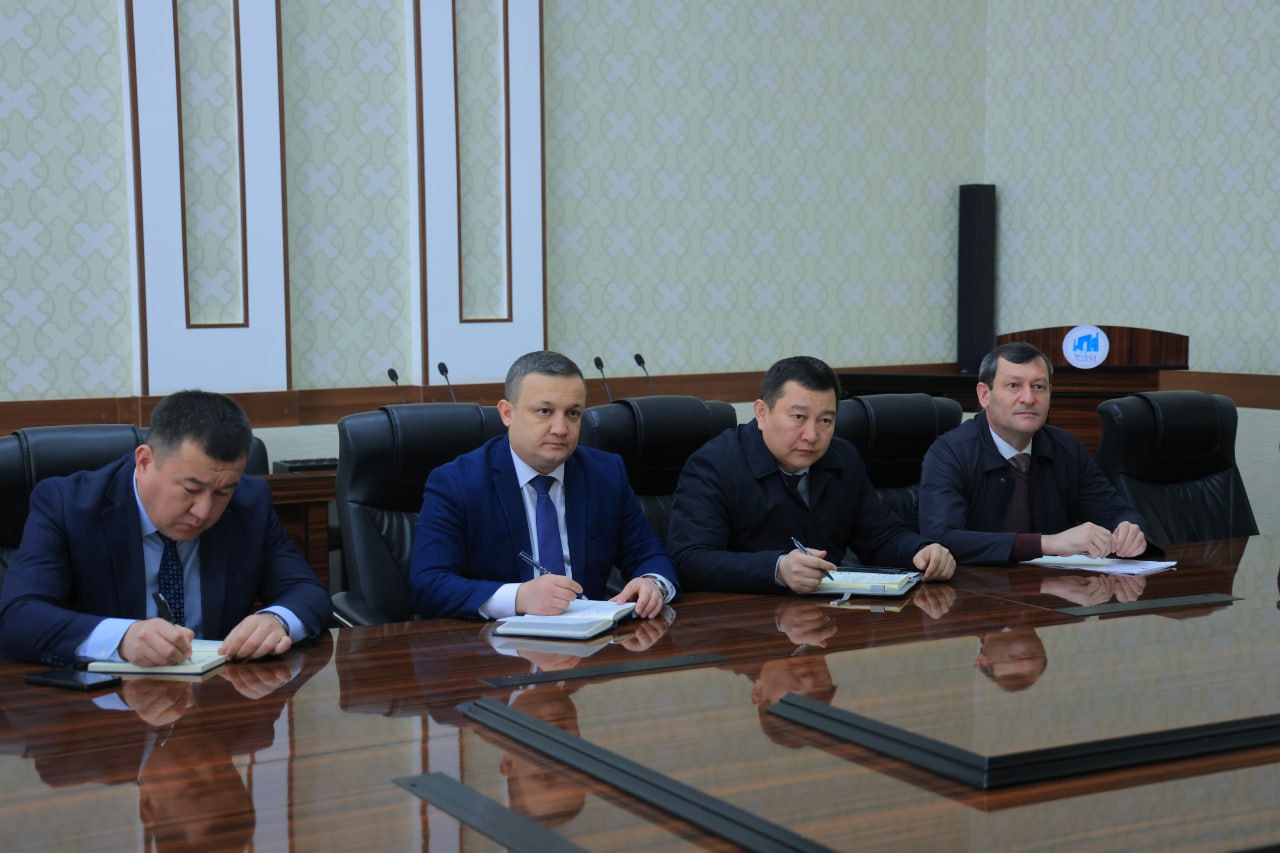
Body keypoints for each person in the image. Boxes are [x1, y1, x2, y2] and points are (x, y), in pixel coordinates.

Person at [0, 390, 332, 668]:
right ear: (144, 461)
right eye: (190, 489)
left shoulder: (249, 501)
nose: (203, 511)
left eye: (222, 492)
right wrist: (122, 638)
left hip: (217, 699)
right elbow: (18, 617)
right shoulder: (67, 504)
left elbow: (308, 592)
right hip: (104, 704)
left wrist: (276, 620)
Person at [410, 350, 679, 619]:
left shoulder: (605, 473)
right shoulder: (457, 482)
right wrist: (518, 597)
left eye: (573, 413)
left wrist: (653, 584)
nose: (560, 429)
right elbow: (428, 584)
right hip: (496, 638)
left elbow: (650, 556)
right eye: (544, 411)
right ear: (507, 413)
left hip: (593, 635)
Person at [668, 355, 954, 593]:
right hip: (744, 623)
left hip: (828, 616)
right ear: (761, 413)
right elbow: (689, 560)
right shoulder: (713, 465)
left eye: (825, 421)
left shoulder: (842, 458)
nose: (812, 435)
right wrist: (777, 569)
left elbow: (880, 536)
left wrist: (921, 551)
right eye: (799, 417)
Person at [918, 342, 1149, 565]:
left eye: (1038, 387)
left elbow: (1113, 511)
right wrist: (1046, 544)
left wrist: (1128, 528)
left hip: (1055, 586)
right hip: (975, 587)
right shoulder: (949, 452)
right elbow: (941, 538)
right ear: (984, 395)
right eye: (1013, 385)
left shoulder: (1066, 447)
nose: (1029, 398)